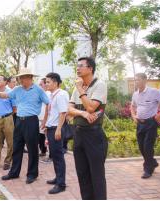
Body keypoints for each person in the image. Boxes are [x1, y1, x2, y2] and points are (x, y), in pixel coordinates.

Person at [0, 68, 49, 184]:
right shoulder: (17, 89)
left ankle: (32, 174)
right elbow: (6, 95)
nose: (21, 80)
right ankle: (14, 173)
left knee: (32, 149)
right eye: (20, 78)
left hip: (32, 121)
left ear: (30, 78)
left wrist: (45, 121)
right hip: (19, 121)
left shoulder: (38, 90)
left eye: (23, 77)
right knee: (17, 147)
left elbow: (48, 103)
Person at [68, 57, 108, 199]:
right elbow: (69, 109)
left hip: (94, 135)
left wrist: (80, 89)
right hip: (78, 134)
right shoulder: (77, 88)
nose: (77, 68)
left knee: (97, 175)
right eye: (77, 66)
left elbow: (91, 107)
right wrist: (83, 113)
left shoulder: (99, 85)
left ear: (90, 68)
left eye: (81, 66)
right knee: (82, 174)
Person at [130, 73, 160, 179]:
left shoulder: (153, 92)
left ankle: (148, 169)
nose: (136, 82)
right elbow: (132, 106)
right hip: (140, 124)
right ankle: (152, 162)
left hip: (151, 123)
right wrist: (134, 116)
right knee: (141, 147)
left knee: (147, 147)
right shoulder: (135, 94)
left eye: (138, 79)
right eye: (135, 80)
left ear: (144, 80)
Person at [44, 72, 69, 194]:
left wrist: (59, 128)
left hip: (57, 129)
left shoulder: (61, 94)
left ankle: (61, 184)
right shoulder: (51, 95)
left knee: (58, 156)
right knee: (54, 154)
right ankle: (57, 178)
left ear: (55, 82)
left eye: (48, 82)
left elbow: (63, 113)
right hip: (51, 128)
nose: (46, 84)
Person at [38, 78, 48, 157]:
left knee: (46, 137)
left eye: (41, 84)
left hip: (46, 120)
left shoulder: (48, 94)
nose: (40, 86)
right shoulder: (40, 93)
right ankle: (43, 151)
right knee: (41, 137)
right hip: (39, 119)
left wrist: (45, 119)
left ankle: (50, 155)